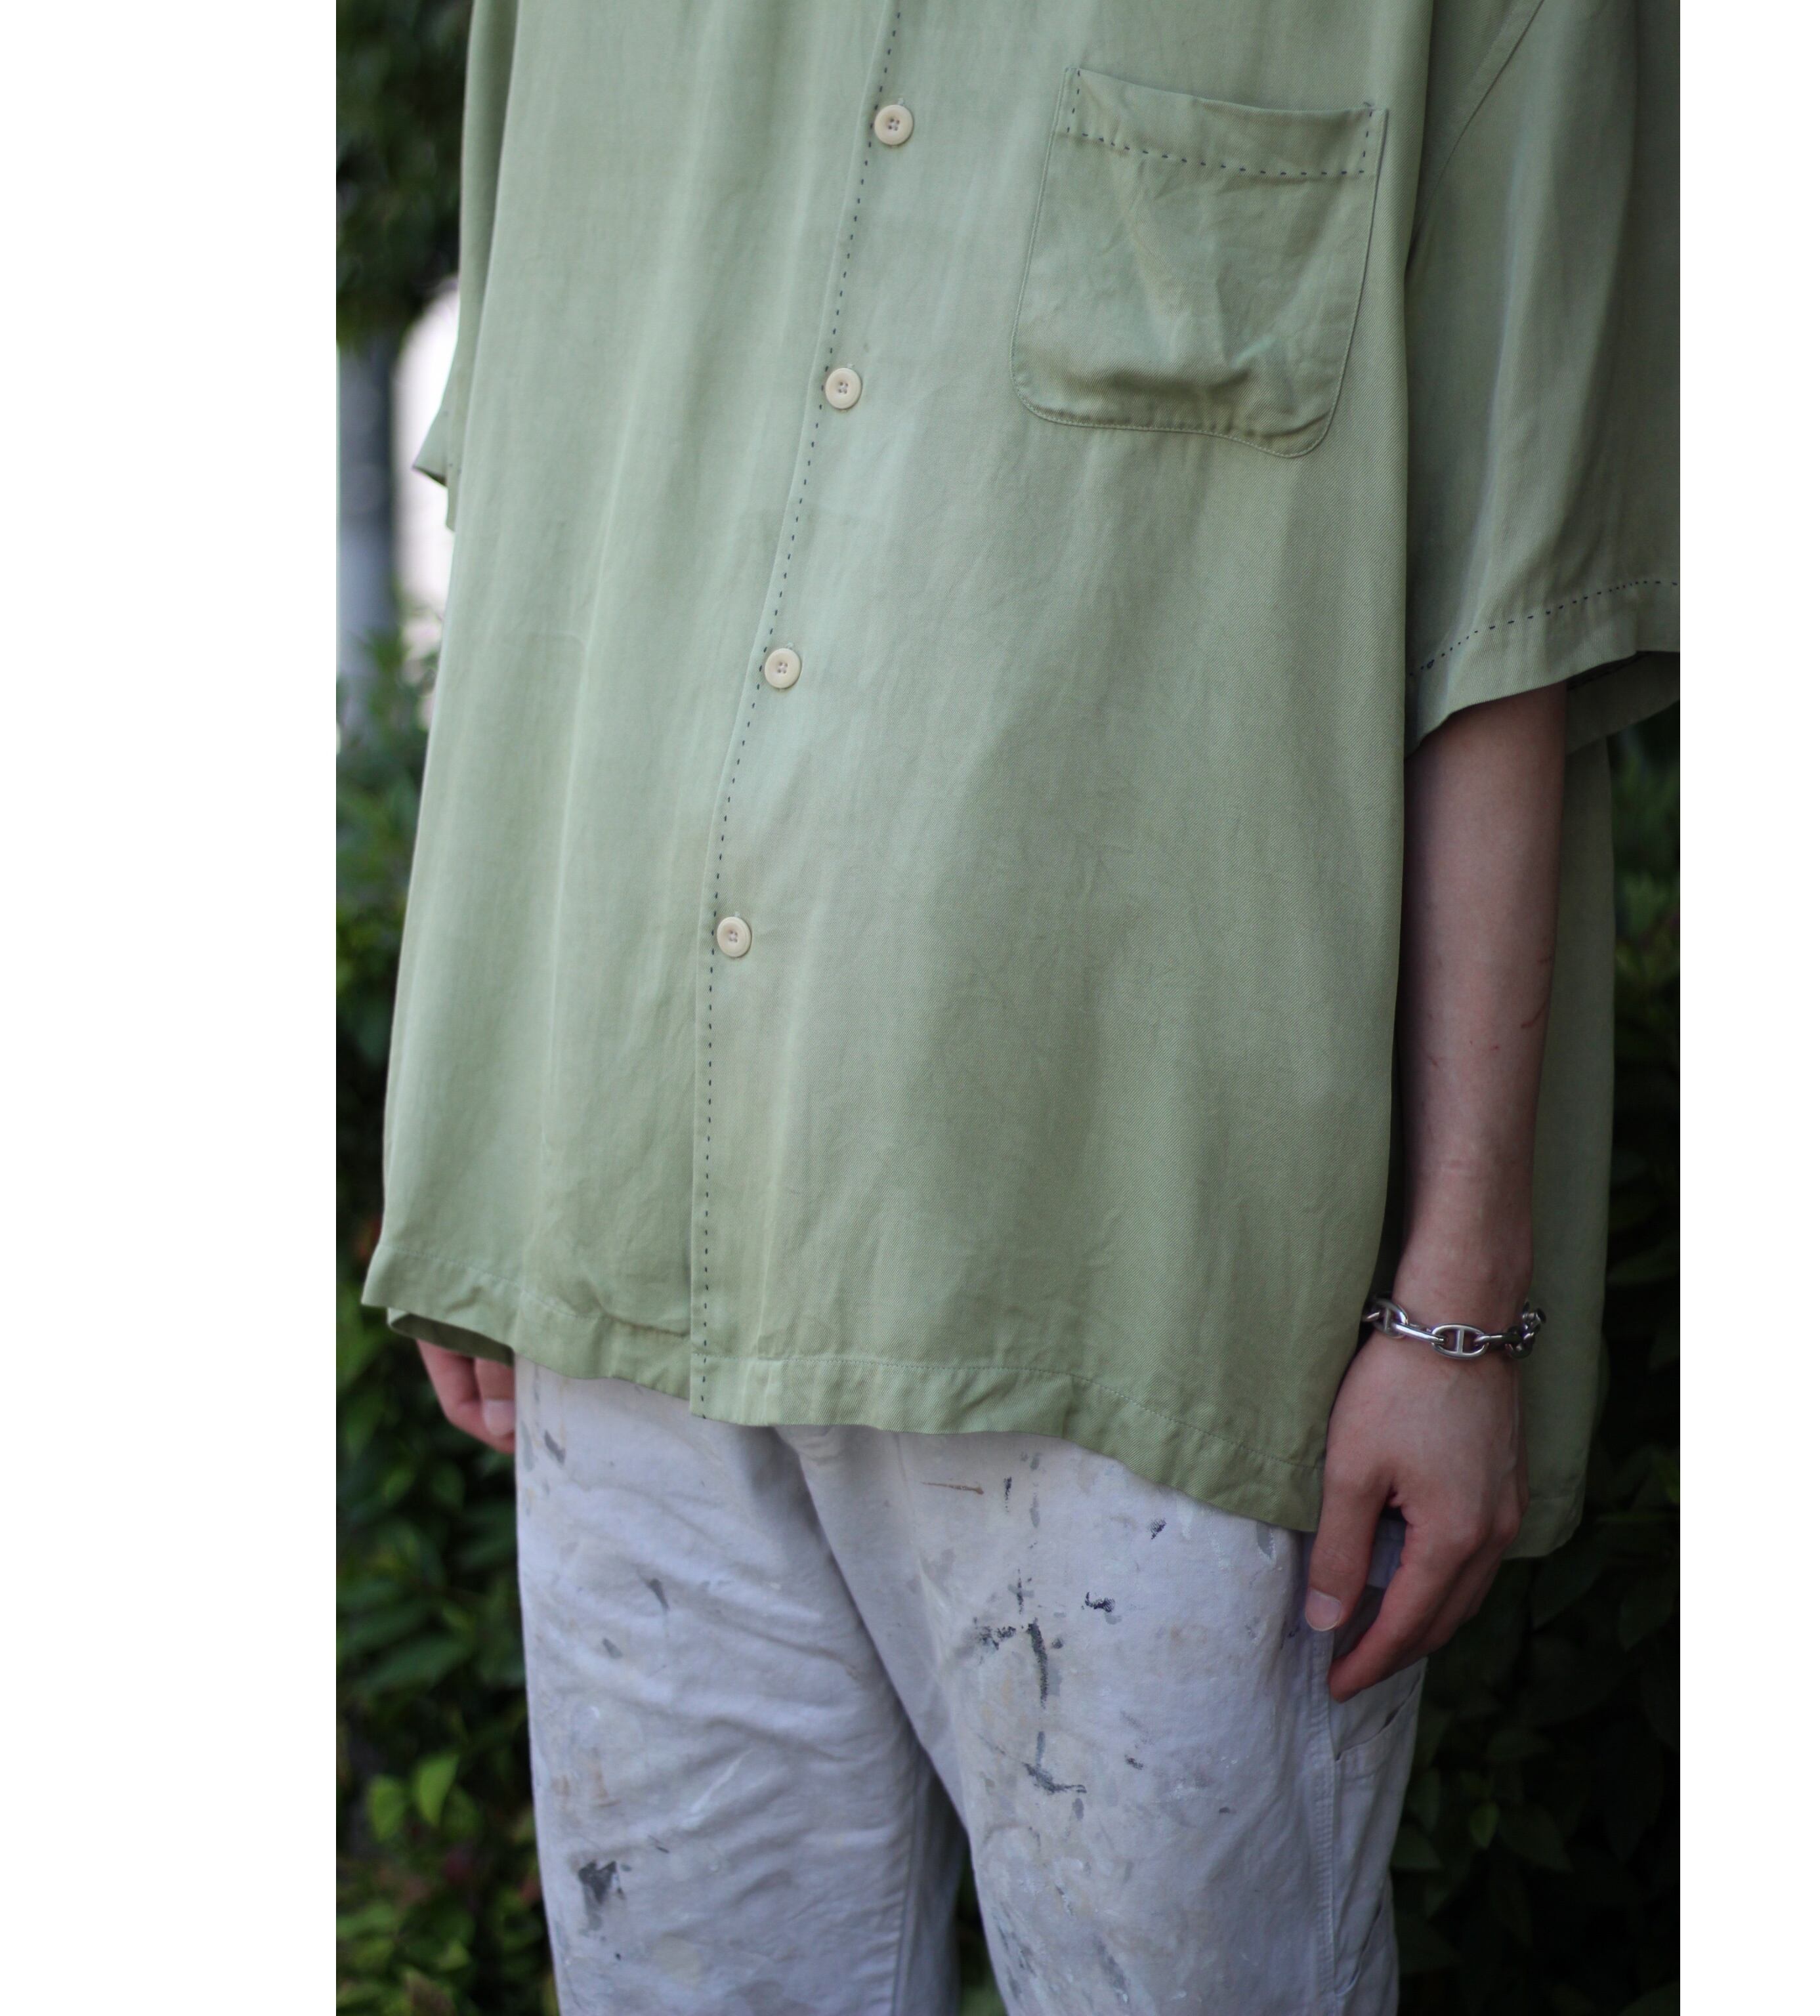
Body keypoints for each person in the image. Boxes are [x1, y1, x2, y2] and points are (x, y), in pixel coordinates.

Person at [365, 2, 1678, 2009]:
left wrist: (1459, 1307)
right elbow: (542, 470)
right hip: (617, 1227)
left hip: (1149, 1291)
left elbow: (1514, 607)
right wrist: (477, 1117)